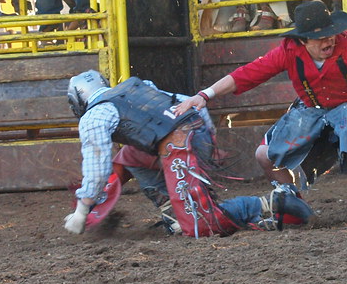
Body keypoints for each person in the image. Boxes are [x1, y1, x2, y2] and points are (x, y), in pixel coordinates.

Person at [172, 0, 347, 224]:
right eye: (320, 38)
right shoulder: (287, 52)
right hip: (313, 106)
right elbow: (247, 74)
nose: (328, 41)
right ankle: (299, 208)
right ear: (303, 40)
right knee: (263, 155)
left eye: (330, 34)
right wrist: (204, 95)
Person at [63, 69, 312, 237]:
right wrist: (208, 144)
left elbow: (97, 169)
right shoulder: (137, 87)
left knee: (200, 225)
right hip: (190, 131)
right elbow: (189, 102)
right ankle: (175, 212)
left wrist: (82, 211)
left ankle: (271, 202)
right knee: (129, 155)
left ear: (78, 100)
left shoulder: (94, 117)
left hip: (178, 143)